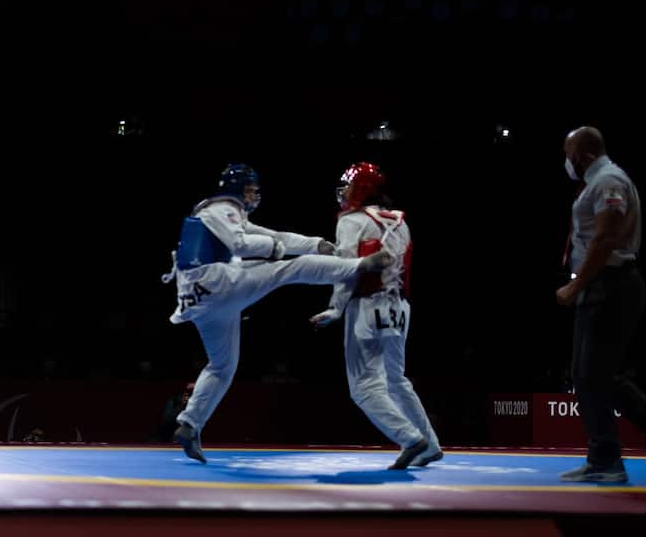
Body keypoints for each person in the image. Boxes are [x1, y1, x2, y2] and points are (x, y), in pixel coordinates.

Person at [164, 163, 393, 462]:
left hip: (203, 302)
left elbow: (276, 235)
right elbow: (242, 244)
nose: (254, 196)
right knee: (289, 269)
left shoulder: (228, 215)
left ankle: (190, 423)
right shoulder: (222, 207)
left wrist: (316, 245)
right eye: (250, 190)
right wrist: (275, 249)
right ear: (236, 190)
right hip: (214, 284)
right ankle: (359, 267)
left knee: (222, 367)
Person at [308, 162, 442, 470]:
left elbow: (345, 269)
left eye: (348, 186)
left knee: (364, 387)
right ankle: (430, 443)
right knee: (396, 380)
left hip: (365, 309)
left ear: (362, 189)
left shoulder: (351, 221)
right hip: (398, 308)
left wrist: (335, 308)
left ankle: (410, 438)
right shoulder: (400, 221)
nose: (343, 192)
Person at [555, 127, 646, 483]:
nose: (566, 162)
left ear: (582, 156)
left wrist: (577, 286)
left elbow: (606, 239)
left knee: (597, 375)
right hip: (601, 286)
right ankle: (605, 460)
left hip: (612, 286)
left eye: (568, 154)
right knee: (586, 377)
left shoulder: (608, 181)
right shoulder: (598, 181)